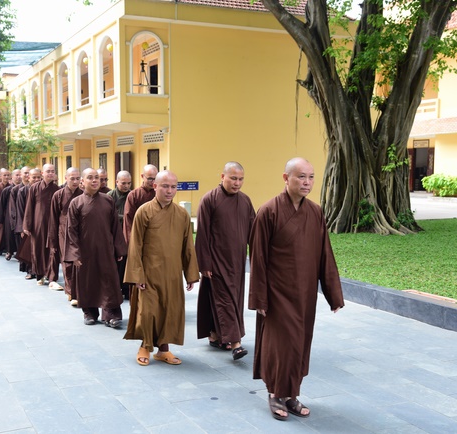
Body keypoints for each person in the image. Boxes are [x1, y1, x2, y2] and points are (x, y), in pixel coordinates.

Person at [248, 157, 345, 421]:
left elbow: (325, 254)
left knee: (299, 344)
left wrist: (333, 294)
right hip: (277, 293)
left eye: (311, 177)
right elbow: (257, 258)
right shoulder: (268, 211)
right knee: (281, 345)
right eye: (301, 176)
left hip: (304, 293)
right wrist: (259, 298)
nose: (307, 182)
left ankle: (291, 394)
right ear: (286, 178)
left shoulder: (315, 212)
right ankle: (275, 394)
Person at [123, 170, 200, 366]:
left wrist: (190, 274)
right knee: (147, 312)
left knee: (170, 310)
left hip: (172, 273)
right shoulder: (144, 211)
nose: (169, 191)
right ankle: (145, 346)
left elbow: (188, 246)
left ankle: (163, 350)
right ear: (155, 186)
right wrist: (137, 275)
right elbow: (135, 245)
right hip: (149, 272)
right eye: (165, 186)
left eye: (173, 187)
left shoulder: (182, 214)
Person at [195, 162, 255, 360]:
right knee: (225, 299)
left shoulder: (245, 201)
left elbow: (254, 232)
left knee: (233, 299)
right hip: (217, 260)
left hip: (237, 261)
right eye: (233, 178)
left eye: (241, 179)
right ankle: (236, 343)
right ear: (222, 177)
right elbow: (202, 234)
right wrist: (204, 263)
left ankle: (216, 335)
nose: (237, 183)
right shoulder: (209, 200)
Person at [65, 168, 126, 325]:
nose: (94, 180)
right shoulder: (76, 203)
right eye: (90, 177)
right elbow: (71, 230)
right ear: (82, 182)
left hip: (106, 249)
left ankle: (111, 315)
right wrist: (75, 254)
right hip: (85, 251)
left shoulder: (107, 200)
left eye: (97, 178)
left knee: (109, 281)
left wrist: (119, 249)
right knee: (88, 281)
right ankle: (90, 313)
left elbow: (115, 227)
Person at [48, 167, 83, 300]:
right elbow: (53, 219)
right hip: (64, 233)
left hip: (80, 233)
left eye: (77, 178)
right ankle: (70, 292)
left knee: (79, 262)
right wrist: (53, 241)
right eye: (72, 178)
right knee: (67, 262)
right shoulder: (58, 195)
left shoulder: (83, 194)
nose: (75, 181)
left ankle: (79, 291)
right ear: (66, 178)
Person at [23, 164, 60, 285]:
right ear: (42, 173)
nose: (50, 173)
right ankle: (40, 274)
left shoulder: (57, 189)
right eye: (48, 171)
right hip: (38, 223)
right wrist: (27, 225)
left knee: (53, 249)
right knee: (38, 248)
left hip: (53, 223)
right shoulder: (34, 188)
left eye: (52, 171)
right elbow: (29, 206)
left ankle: (52, 277)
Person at [108, 170, 132, 299]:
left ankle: (126, 288)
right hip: (113, 234)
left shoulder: (132, 196)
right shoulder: (109, 196)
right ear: (116, 182)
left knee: (127, 262)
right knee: (114, 262)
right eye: (123, 183)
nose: (126, 186)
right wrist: (123, 217)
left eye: (129, 183)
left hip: (127, 234)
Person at [123, 164, 158, 247]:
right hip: (138, 235)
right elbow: (128, 220)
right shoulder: (134, 195)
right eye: (150, 179)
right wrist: (131, 242)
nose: (153, 182)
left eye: (155, 179)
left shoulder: (159, 194)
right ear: (142, 176)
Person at [15, 168, 41, 279]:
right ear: (28, 177)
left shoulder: (43, 190)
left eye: (38, 177)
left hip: (40, 224)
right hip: (28, 225)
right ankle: (30, 271)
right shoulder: (23, 191)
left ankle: (40, 271)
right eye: (34, 177)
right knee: (28, 249)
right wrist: (23, 227)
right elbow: (20, 210)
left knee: (39, 249)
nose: (36, 179)